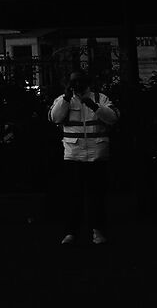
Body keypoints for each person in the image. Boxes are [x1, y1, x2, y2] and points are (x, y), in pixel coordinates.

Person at [48, 71, 120, 245]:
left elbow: (113, 118)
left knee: (97, 196)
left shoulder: (100, 98)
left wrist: (94, 106)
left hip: (97, 155)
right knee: (73, 196)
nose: (78, 86)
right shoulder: (63, 100)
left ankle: (98, 231)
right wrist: (66, 98)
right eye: (75, 82)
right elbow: (54, 117)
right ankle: (71, 232)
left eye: (81, 82)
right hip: (74, 155)